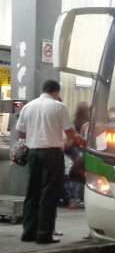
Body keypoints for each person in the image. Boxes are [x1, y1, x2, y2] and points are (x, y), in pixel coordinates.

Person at [15, 80, 85, 244]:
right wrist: (80, 140)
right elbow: (70, 132)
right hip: (52, 154)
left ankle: (28, 232)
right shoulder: (58, 106)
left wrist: (34, 138)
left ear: (43, 89)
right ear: (56, 92)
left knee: (32, 192)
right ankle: (44, 234)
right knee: (49, 193)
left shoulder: (28, 106)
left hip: (33, 153)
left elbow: (20, 132)